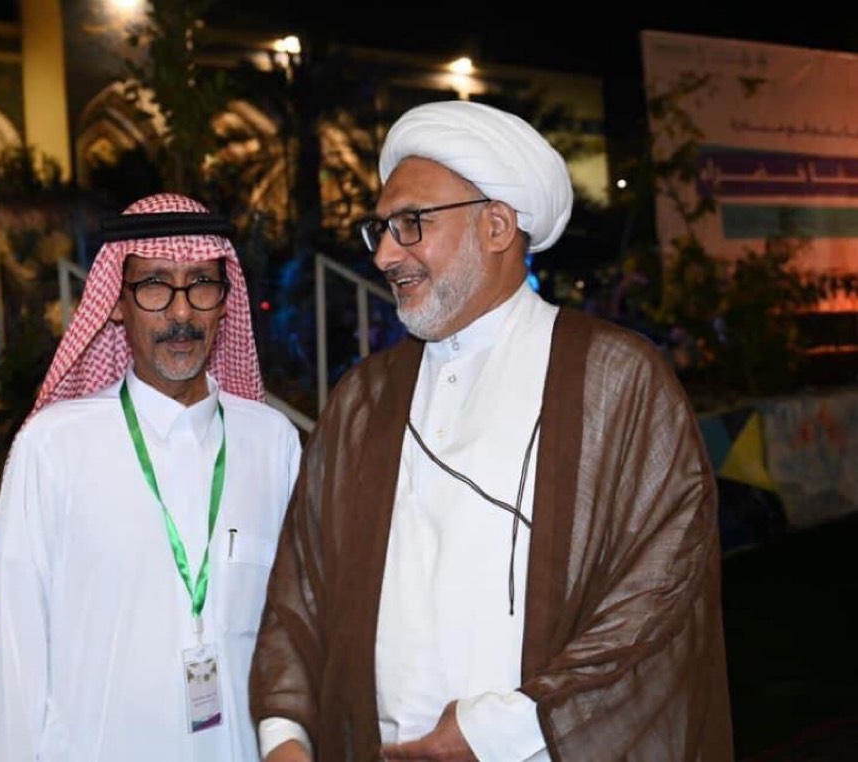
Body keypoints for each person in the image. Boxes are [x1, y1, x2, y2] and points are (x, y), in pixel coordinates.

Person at [250, 101, 734, 761]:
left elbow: (660, 589)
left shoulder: (613, 378)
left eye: (412, 224)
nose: (386, 254)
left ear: (498, 225)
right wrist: (285, 735)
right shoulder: (364, 396)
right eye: (381, 229)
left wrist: (497, 731)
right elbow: (302, 582)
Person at [0, 192, 302, 761]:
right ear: (116, 303)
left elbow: (295, 633)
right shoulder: (53, 448)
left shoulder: (272, 443)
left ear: (225, 302)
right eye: (153, 285)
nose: (181, 313)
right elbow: (16, 663)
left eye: (202, 283)